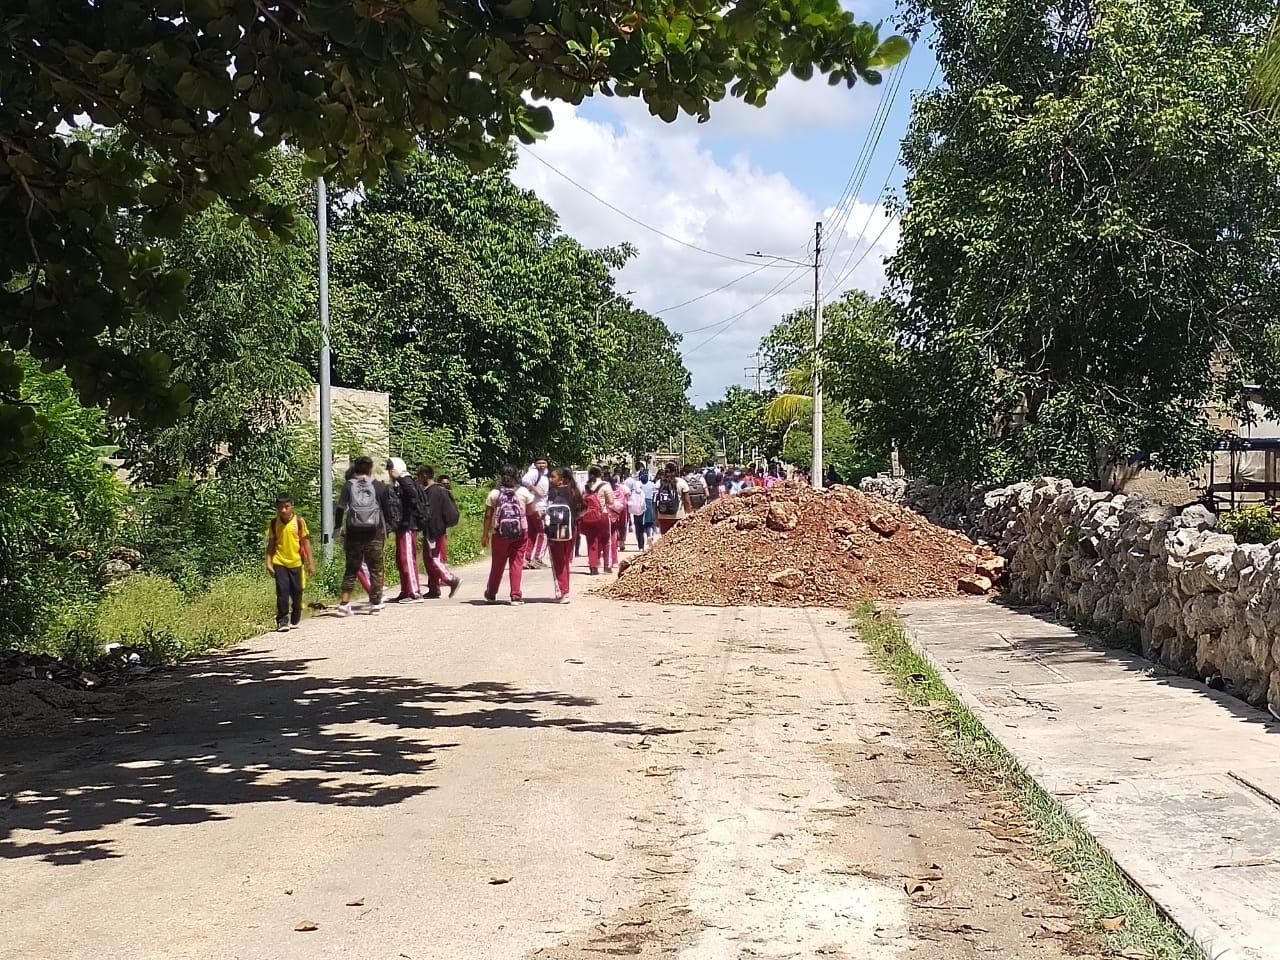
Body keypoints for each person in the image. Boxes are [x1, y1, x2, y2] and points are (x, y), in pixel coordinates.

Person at [335, 455, 395, 616]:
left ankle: (344, 604)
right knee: (376, 568)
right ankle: (375, 603)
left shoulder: (349, 486)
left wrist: (337, 528)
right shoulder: (379, 486)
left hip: (353, 533)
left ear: (355, 469)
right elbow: (387, 510)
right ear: (371, 469)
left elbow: (340, 507)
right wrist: (388, 528)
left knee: (351, 569)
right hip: (374, 533)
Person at [481, 465, 538, 604]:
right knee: (516, 563)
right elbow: (531, 512)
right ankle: (515, 596)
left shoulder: (494, 493)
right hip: (520, 533)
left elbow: (488, 515)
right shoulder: (523, 491)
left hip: (499, 534)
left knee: (497, 565)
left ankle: (491, 593)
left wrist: (485, 535)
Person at [265, 492, 315, 633]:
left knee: (297, 591)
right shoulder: (274, 523)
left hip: (296, 562)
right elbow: (271, 544)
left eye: (286, 507)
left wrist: (311, 564)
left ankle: (297, 608)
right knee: (282, 591)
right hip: (279, 561)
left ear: (291, 506)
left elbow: (306, 543)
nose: (283, 510)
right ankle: (282, 620)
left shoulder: (299, 522)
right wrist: (268, 562)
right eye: (280, 507)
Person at [416, 465, 462, 598]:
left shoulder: (432, 492)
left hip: (434, 531)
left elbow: (430, 514)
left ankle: (450, 580)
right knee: (428, 558)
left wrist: (426, 527)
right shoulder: (437, 490)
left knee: (432, 559)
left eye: (419, 476)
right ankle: (433, 588)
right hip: (438, 529)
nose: (418, 479)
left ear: (425, 475)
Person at [387, 456, 425, 604]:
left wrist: (400, 479)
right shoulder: (399, 483)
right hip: (402, 526)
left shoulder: (407, 480)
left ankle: (415, 593)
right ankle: (405, 590)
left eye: (391, 468)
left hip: (409, 526)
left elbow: (413, 494)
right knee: (401, 559)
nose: (389, 472)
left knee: (408, 558)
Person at [545, 466, 585, 603]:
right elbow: (583, 509)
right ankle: (565, 590)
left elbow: (547, 511)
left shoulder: (553, 492)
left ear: (561, 479)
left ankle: (562, 592)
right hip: (570, 530)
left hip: (555, 531)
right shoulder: (573, 491)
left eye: (553, 477)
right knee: (566, 560)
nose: (550, 479)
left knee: (558, 562)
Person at [580, 465, 614, 574]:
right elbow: (611, 501)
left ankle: (593, 567)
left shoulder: (585, 486)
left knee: (591, 542)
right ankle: (607, 566)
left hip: (588, 517)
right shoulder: (605, 485)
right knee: (606, 541)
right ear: (601, 474)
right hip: (602, 515)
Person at [522, 457, 550, 568]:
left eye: (544, 462)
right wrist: (535, 490)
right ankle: (537, 558)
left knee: (532, 534)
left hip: (534, 507)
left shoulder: (544, 474)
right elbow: (524, 480)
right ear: (535, 463)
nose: (542, 465)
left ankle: (526, 558)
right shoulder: (534, 472)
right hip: (538, 507)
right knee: (544, 533)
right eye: (539, 463)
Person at [653, 461, 694, 535]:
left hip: (662, 516)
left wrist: (656, 517)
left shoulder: (658, 483)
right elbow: (687, 501)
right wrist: (690, 513)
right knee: (677, 540)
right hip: (678, 516)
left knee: (665, 540)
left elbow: (654, 502)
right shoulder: (681, 482)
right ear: (676, 470)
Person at [609, 470, 630, 567]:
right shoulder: (623, 487)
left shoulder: (608, 488)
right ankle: (621, 542)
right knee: (622, 526)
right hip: (622, 509)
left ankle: (613, 547)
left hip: (611, 511)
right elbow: (628, 496)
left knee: (613, 529)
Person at [626, 469, 647, 551]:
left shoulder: (634, 484)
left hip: (635, 508)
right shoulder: (647, 485)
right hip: (643, 508)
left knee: (638, 527)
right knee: (643, 526)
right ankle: (645, 541)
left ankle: (640, 546)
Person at [640, 468, 656, 537]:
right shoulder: (652, 484)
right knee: (650, 521)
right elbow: (655, 494)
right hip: (650, 502)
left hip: (640, 503)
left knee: (642, 521)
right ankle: (650, 534)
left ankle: (646, 534)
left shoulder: (639, 484)